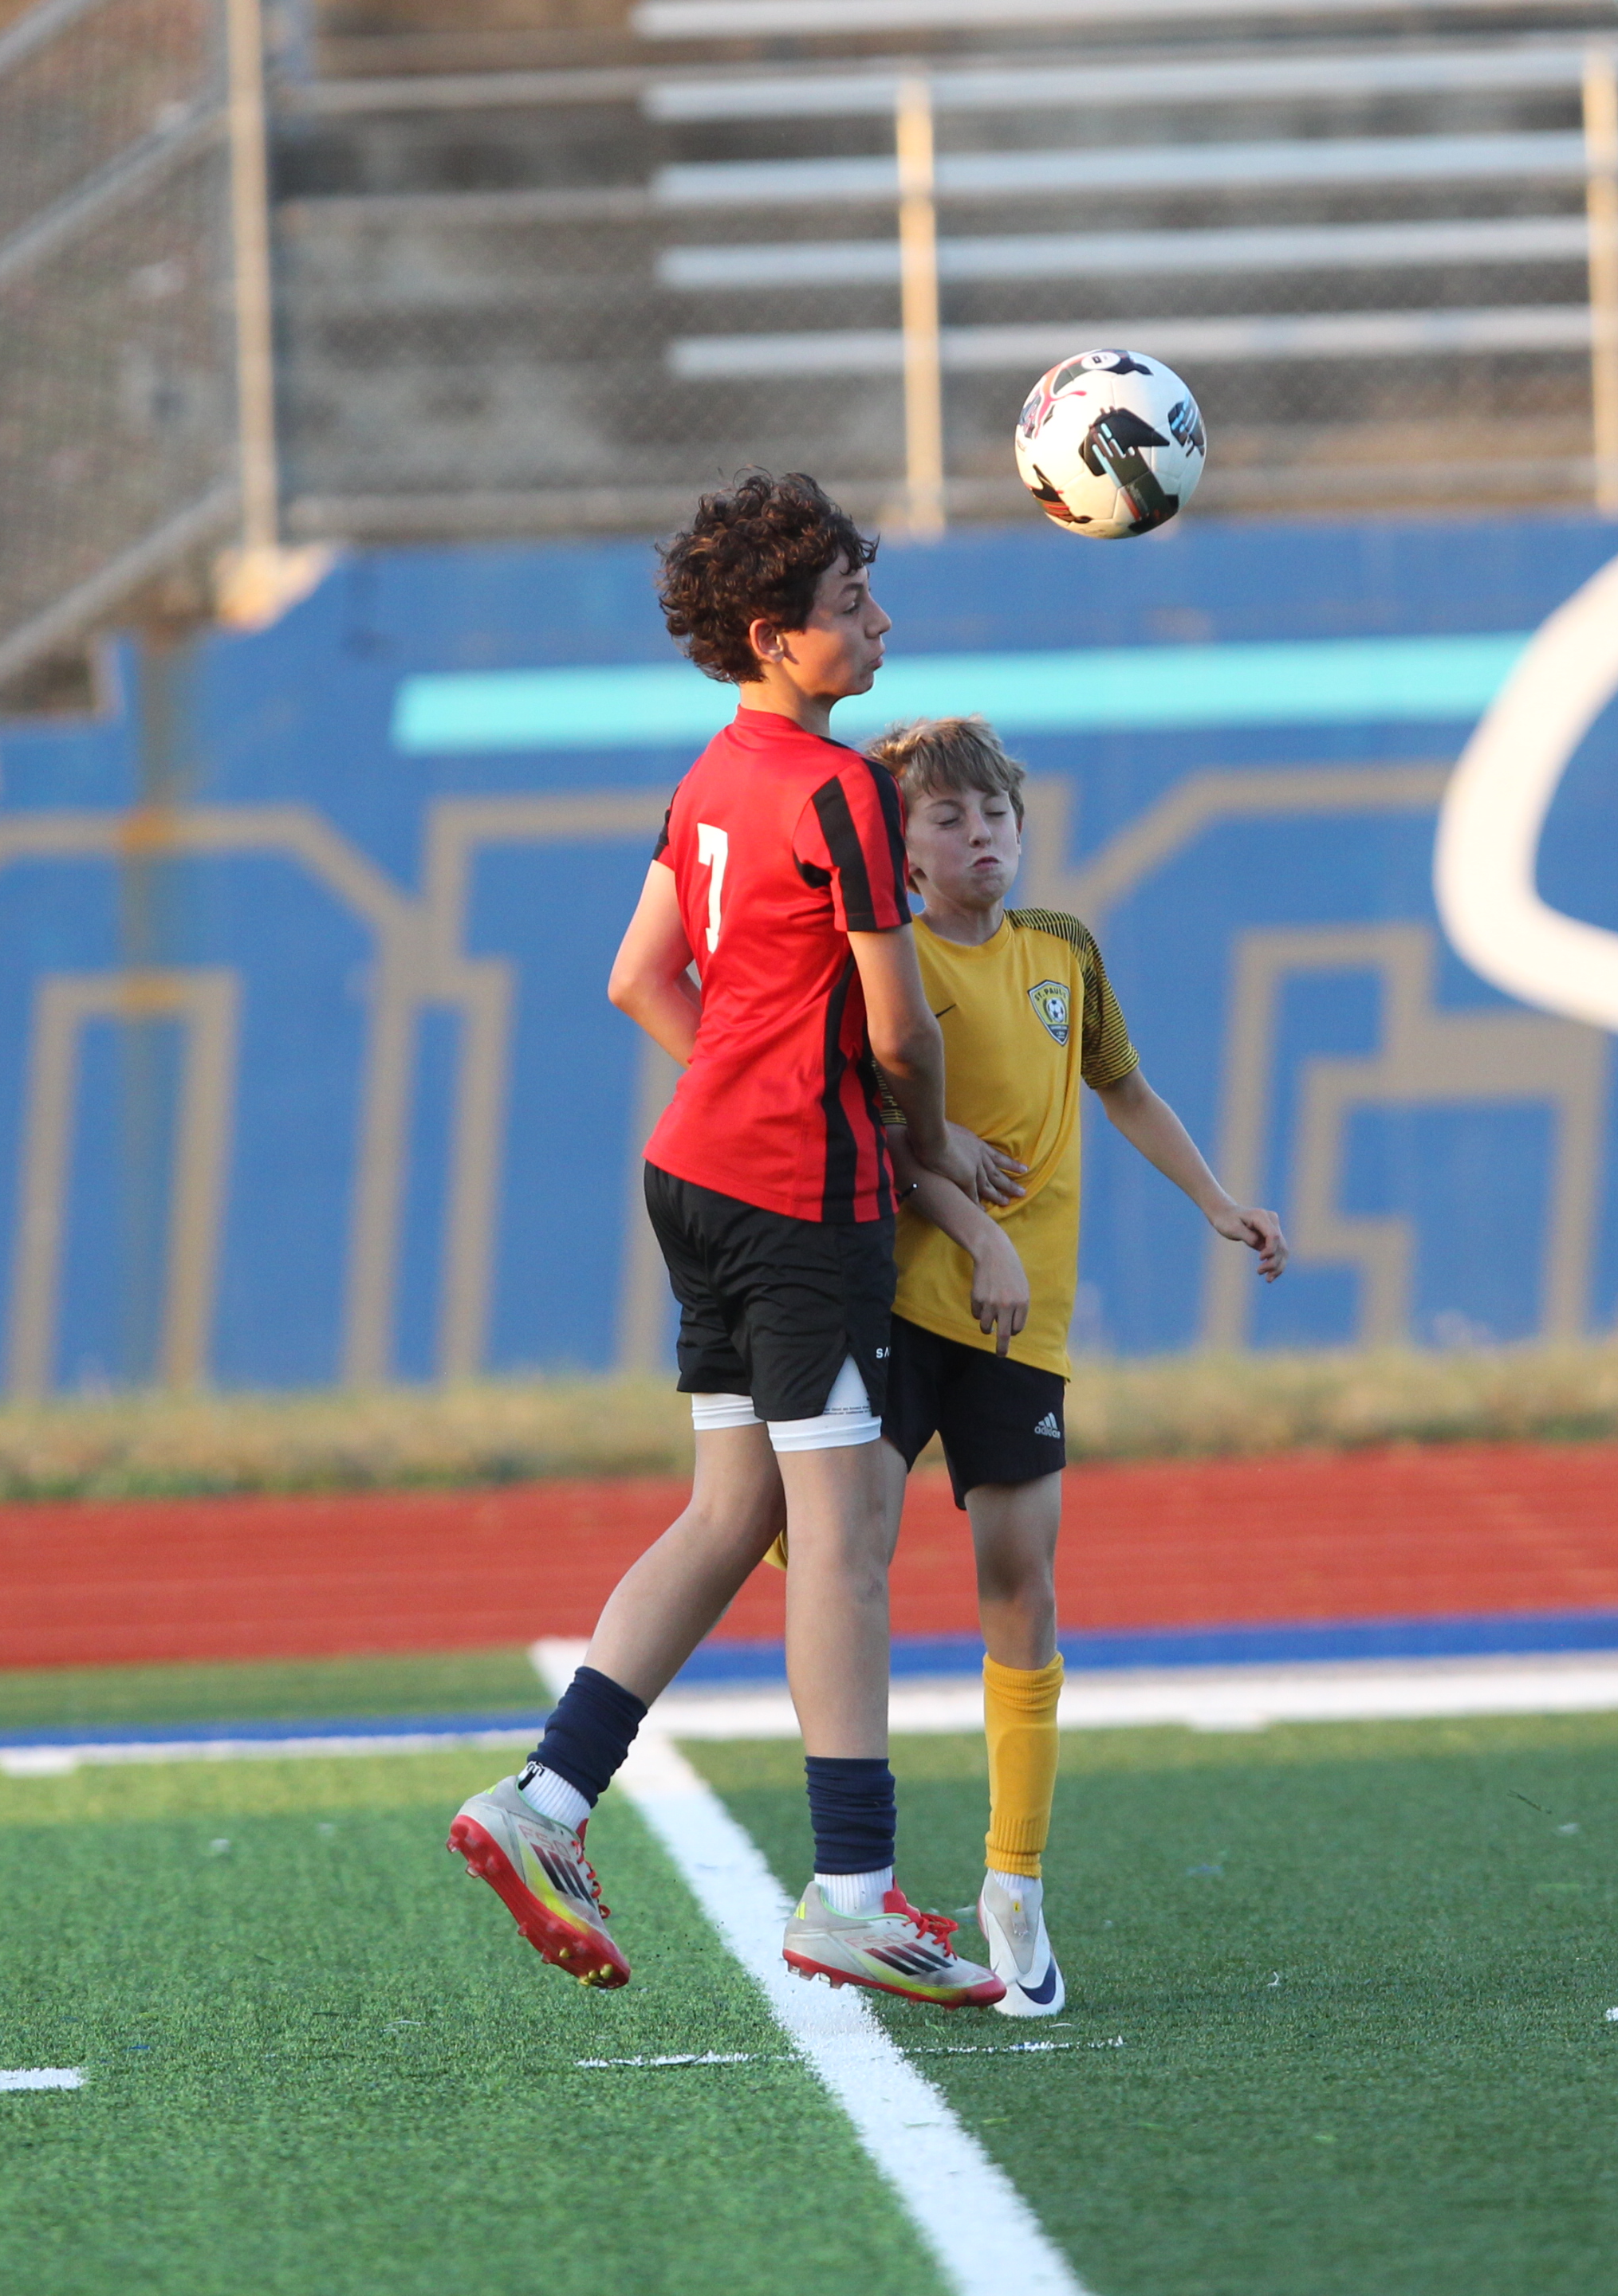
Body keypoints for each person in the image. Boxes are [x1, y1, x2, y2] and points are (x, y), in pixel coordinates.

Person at [448, 473, 1011, 2009]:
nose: (880, 622)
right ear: (774, 636)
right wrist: (931, 1148)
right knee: (841, 1542)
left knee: (730, 1509)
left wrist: (748, 1086)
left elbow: (640, 975)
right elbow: (900, 1033)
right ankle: (853, 1895)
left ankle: (546, 1799)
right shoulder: (841, 793)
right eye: (851, 604)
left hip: (694, 1175)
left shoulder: (711, 776)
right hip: (797, 1202)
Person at [860, 714, 1289, 2019]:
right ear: (904, 850)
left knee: (1021, 1585)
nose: (981, 836)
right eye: (948, 818)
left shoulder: (1064, 952)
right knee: (838, 1559)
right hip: (900, 1302)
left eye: (996, 813)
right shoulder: (885, 960)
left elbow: (1126, 1090)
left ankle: (1015, 1882)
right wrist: (963, 1214)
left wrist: (1217, 1200)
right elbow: (883, 1135)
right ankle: (857, 1880)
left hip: (1020, 1323)